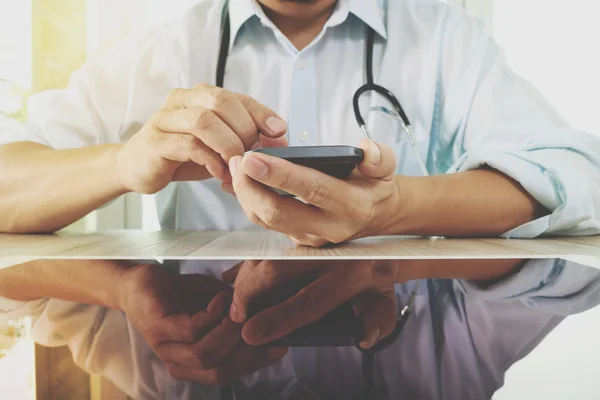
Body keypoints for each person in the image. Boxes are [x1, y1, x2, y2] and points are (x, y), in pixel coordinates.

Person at [1, 0, 600, 398]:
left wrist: (396, 208)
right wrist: (122, 165)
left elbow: (579, 179)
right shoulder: (163, 49)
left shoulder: (443, 36)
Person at [1, 258, 600, 400]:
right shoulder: (454, 344)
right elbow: (583, 265)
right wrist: (391, 255)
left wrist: (123, 285)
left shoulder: (154, 343)